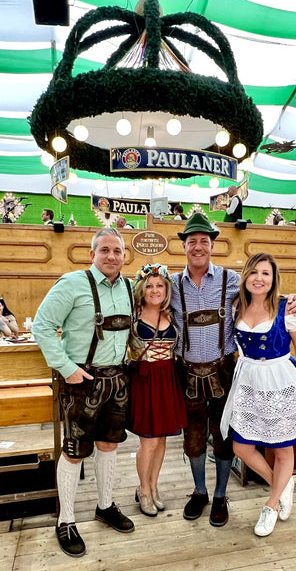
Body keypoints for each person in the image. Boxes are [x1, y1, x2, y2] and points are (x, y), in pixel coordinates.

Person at [170, 213, 296, 528]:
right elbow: (147, 297)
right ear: (185, 246)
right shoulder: (171, 283)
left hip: (226, 370)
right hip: (186, 370)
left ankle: (220, 495)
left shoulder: (232, 279)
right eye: (193, 241)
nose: (199, 246)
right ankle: (200, 491)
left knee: (225, 434)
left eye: (205, 241)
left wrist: (294, 299)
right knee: (192, 437)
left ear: (213, 245)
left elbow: (265, 293)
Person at [32, 227, 134, 558]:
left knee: (108, 445)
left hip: (117, 381)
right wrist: (66, 368)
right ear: (92, 254)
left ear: (123, 256)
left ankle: (105, 506)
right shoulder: (72, 284)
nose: (111, 256)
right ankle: (66, 519)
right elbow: (42, 326)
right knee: (75, 451)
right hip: (81, 382)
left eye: (117, 251)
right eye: (104, 250)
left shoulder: (130, 287)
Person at [220, 252, 296, 537]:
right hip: (249, 381)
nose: (259, 278)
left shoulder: (288, 308)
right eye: (254, 272)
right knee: (242, 447)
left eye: (266, 273)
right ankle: (281, 482)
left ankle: (271, 504)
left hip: (281, 380)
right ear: (246, 277)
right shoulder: (236, 305)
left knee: (282, 447)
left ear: (274, 278)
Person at [128, 263, 187, 517]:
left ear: (166, 289)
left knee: (161, 440)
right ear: (142, 289)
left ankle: (153, 486)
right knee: (148, 442)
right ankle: (142, 489)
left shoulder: (172, 314)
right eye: (150, 286)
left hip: (167, 378)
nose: (155, 290)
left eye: (160, 285)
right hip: (145, 379)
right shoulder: (133, 313)